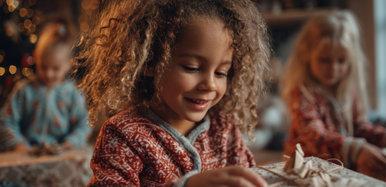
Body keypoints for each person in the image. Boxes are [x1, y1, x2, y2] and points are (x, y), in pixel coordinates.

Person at [74, 0, 270, 186]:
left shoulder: (224, 130)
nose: (210, 84)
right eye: (192, 68)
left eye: (221, 73)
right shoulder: (124, 134)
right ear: (151, 62)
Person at [280, 10, 386, 180]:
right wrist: (356, 149)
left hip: (339, 172)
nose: (333, 68)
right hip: (306, 173)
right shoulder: (303, 93)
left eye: (341, 60)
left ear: (351, 59)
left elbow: (359, 127)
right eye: (324, 60)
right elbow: (314, 136)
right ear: (306, 54)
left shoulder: (348, 90)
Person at [0, 20, 91, 152]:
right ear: (36, 58)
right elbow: (6, 121)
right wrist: (18, 145)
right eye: (43, 67)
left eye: (55, 68)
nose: (48, 74)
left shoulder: (73, 93)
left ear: (68, 64)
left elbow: (84, 124)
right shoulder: (23, 90)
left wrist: (70, 143)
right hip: (28, 154)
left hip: (62, 153)